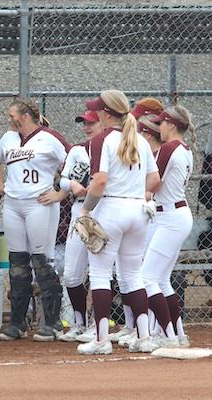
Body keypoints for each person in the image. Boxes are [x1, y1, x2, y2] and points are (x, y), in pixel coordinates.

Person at [76, 90, 160, 355]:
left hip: (111, 207)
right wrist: (134, 190)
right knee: (132, 275)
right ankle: (144, 337)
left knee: (101, 274)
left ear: (107, 113)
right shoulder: (140, 140)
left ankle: (101, 340)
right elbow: (154, 180)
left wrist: (86, 211)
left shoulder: (102, 140)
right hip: (138, 210)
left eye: (99, 109)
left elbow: (99, 182)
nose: (96, 113)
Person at [0, 98, 70, 342]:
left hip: (40, 203)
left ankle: (53, 323)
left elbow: (72, 163)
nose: (8, 119)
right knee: (17, 262)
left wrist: (61, 192)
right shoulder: (9, 138)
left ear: (25, 117)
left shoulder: (49, 137)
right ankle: (17, 323)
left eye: (12, 115)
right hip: (14, 204)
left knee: (42, 261)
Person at [141, 105, 196, 349]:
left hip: (171, 216)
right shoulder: (185, 149)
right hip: (174, 213)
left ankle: (168, 337)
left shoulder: (170, 147)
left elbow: (153, 182)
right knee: (161, 280)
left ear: (172, 125)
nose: (158, 127)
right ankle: (178, 334)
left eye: (161, 123)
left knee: (147, 278)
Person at [55, 110, 104, 342]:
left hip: (104, 209)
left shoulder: (111, 147)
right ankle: (79, 323)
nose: (86, 127)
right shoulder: (77, 150)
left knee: (100, 272)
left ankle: (98, 324)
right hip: (79, 209)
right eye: (84, 123)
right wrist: (73, 183)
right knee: (72, 274)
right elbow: (62, 179)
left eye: (91, 123)